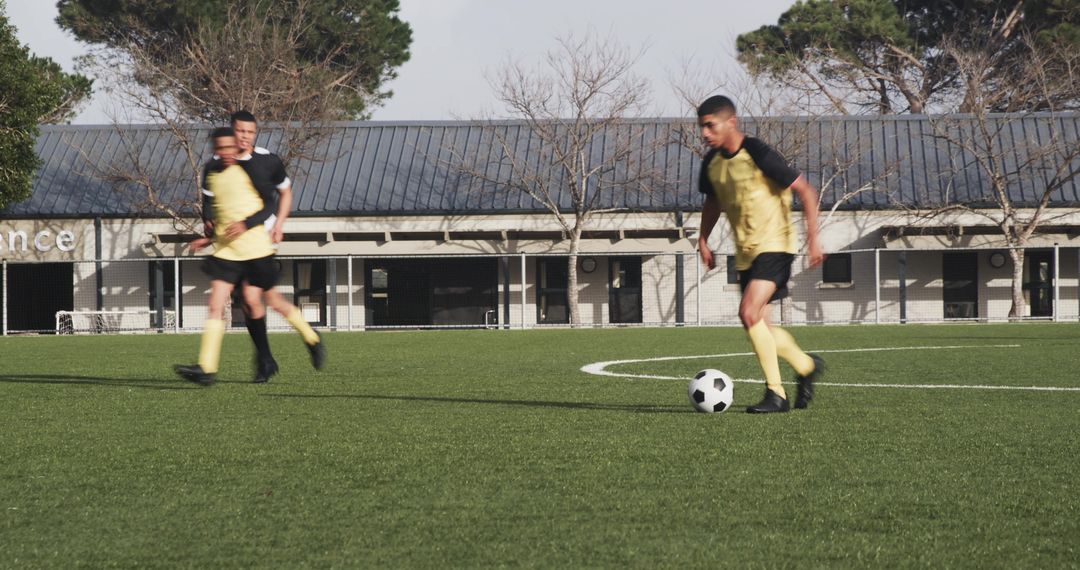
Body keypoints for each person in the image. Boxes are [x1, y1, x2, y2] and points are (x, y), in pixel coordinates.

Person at [696, 95, 826, 413]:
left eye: (710, 126)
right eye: (701, 127)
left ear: (731, 122)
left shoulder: (758, 153)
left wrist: (813, 240)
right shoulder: (711, 164)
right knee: (759, 327)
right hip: (745, 254)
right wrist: (703, 239)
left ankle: (776, 394)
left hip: (776, 246)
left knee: (748, 312)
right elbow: (712, 201)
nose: (705, 133)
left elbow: (806, 191)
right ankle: (806, 365)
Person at [176, 127, 325, 386]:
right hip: (226, 251)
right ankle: (207, 368)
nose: (225, 152)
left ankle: (311, 337)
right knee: (216, 304)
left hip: (256, 249)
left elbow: (268, 204)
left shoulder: (251, 170)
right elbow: (213, 206)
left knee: (271, 303)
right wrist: (209, 233)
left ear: (237, 147)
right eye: (219, 148)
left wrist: (249, 224)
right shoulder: (210, 171)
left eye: (229, 147)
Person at [195, 110, 302, 383]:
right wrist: (208, 224)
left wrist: (279, 224)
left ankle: (277, 354)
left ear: (255, 134)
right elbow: (210, 201)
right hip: (230, 245)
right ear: (231, 131)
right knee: (235, 301)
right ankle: (257, 361)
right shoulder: (218, 164)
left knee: (256, 300)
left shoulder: (266, 161)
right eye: (239, 131)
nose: (243, 136)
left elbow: (282, 194)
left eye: (249, 132)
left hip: (258, 241)